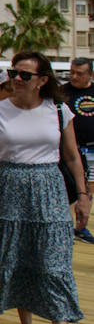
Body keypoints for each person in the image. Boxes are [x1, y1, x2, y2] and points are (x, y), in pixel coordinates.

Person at [0, 51, 86, 324]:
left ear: (42, 81)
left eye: (24, 75)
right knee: (16, 258)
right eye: (13, 73)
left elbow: (72, 157)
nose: (15, 79)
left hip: (50, 188)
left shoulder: (59, 110)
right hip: (9, 188)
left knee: (53, 262)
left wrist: (84, 195)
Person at [61, 57, 94, 244]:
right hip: (70, 152)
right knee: (72, 189)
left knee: (89, 189)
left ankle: (81, 226)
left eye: (79, 73)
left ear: (90, 74)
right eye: (72, 72)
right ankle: (72, 226)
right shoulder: (62, 92)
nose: (74, 76)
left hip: (92, 150)